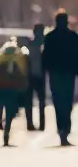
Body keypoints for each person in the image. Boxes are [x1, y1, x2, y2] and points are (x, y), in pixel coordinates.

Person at [42, 9, 78, 146]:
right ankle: (65, 129)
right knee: (67, 102)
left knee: (58, 102)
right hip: (68, 73)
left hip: (55, 73)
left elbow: (45, 57)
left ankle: (62, 130)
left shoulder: (50, 37)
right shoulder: (73, 36)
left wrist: (45, 71)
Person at [0, 36, 30, 146]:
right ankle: (6, 130)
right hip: (12, 88)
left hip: (0, 86)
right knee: (10, 112)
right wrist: (24, 86)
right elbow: (22, 74)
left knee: (0, 104)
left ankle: (0, 120)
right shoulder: (18, 57)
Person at [26, 22, 47, 131]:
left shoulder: (30, 45)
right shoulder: (45, 44)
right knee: (41, 101)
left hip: (30, 76)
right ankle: (41, 124)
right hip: (39, 75)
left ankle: (30, 123)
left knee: (29, 101)